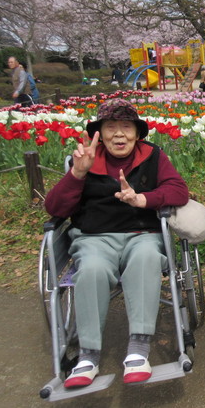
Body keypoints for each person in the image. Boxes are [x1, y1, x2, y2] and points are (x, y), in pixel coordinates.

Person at [45, 98, 189, 388]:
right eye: (111, 127)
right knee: (93, 269)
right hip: (94, 238)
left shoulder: (153, 156)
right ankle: (88, 355)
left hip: (142, 235)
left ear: (138, 134)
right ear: (98, 133)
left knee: (147, 258)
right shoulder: (86, 160)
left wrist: (142, 199)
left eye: (127, 127)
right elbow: (56, 209)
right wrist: (77, 174)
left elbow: (178, 190)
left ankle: (138, 347)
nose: (119, 134)